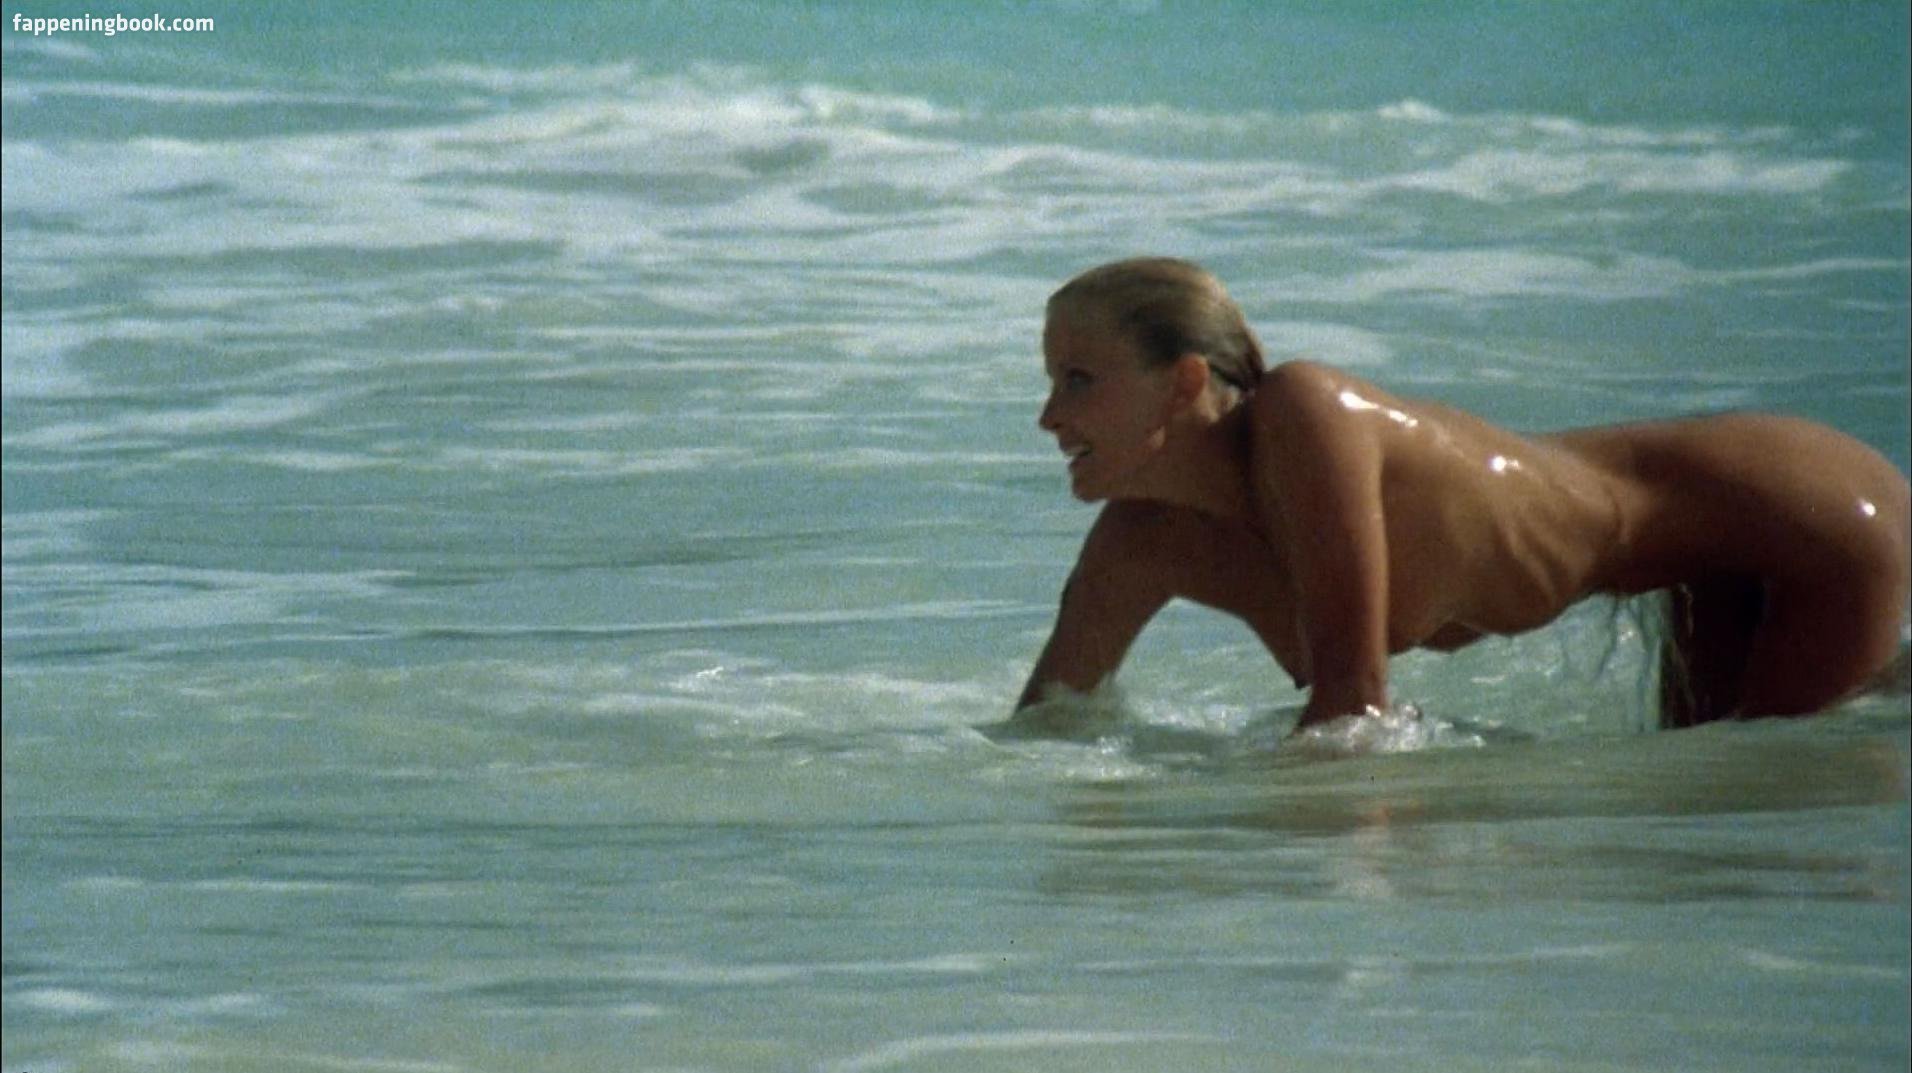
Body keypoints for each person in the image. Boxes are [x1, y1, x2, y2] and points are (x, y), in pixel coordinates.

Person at [1016, 257, 1910, 731]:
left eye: (1078, 379)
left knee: (1790, 781)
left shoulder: (1306, 413)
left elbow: (1352, 710)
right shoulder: (1141, 542)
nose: (1049, 415)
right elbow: (1040, 734)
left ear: (1182, 382)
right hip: (1703, 553)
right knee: (1724, 840)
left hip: (1801, 509)